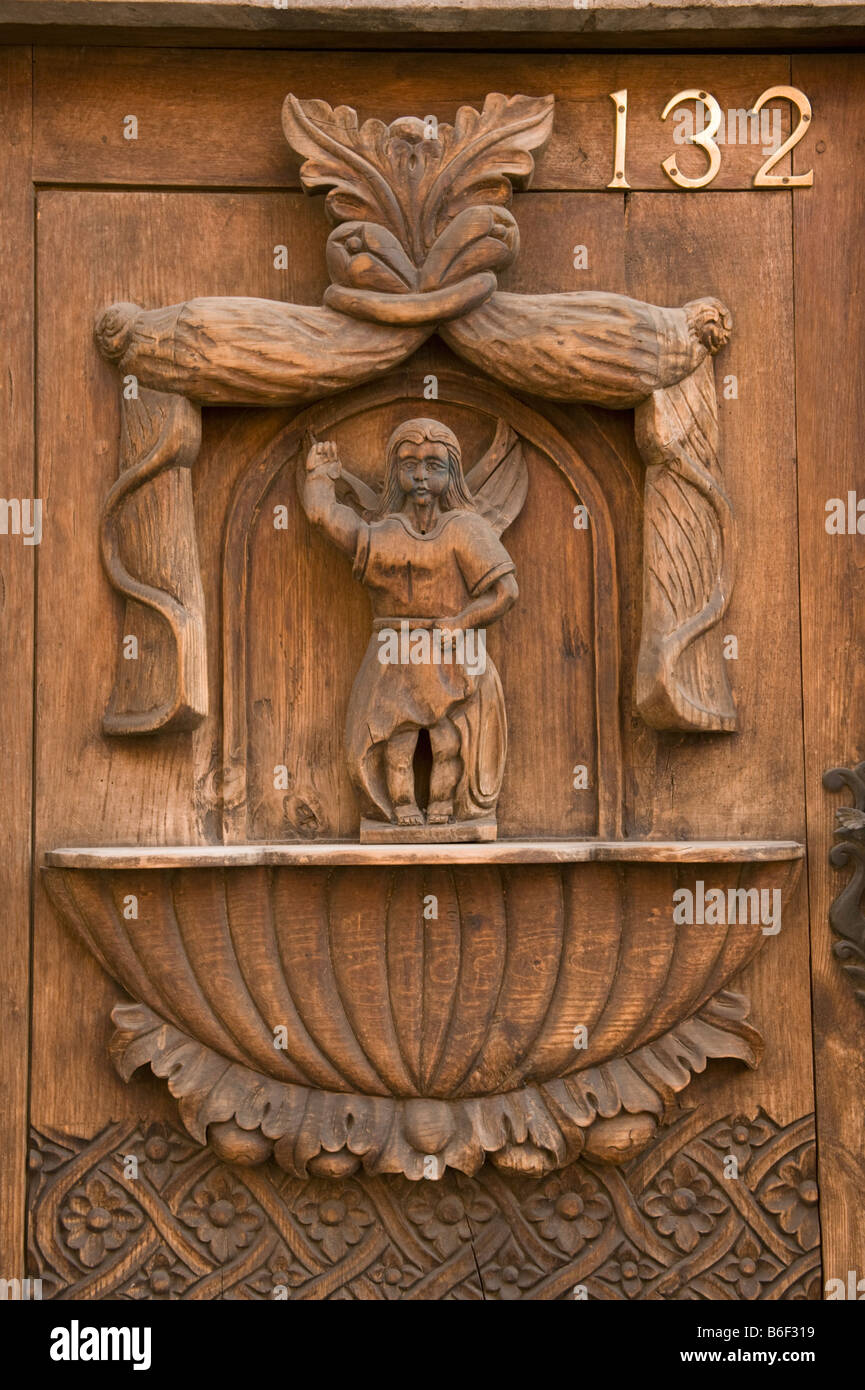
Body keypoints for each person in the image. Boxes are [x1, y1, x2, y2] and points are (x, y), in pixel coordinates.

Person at [300, 417, 519, 829]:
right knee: (395, 745)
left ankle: (443, 809)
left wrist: (462, 621)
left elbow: (506, 592)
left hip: (449, 650)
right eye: (409, 465)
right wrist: (320, 478)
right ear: (395, 472)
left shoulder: (466, 530)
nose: (420, 475)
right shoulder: (383, 534)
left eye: (434, 465)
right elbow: (323, 517)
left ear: (452, 472)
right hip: (394, 652)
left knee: (447, 741)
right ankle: (400, 811)